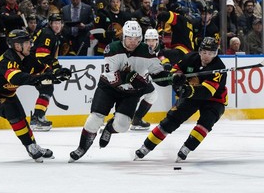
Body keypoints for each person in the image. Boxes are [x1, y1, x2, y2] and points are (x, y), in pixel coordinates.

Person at [69, 21, 171, 162]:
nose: (133, 42)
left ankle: (109, 129)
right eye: (130, 38)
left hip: (131, 93)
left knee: (122, 126)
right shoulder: (112, 48)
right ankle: (81, 148)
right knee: (94, 119)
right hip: (108, 88)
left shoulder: (147, 51)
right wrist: (131, 78)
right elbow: (112, 76)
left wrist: (170, 79)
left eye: (136, 39)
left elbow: (157, 73)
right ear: (123, 37)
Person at [0, 29, 71, 162]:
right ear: (17, 45)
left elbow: (44, 69)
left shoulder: (28, 58)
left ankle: (33, 146)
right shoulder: (7, 59)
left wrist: (57, 73)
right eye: (26, 42)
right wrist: (43, 77)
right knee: (11, 110)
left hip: (7, 92)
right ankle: (30, 146)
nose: (30, 45)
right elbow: (17, 79)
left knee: (20, 118)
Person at [135, 37, 228, 162]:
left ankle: (187, 148)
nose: (207, 56)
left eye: (211, 53)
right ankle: (146, 147)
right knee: (171, 120)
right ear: (200, 51)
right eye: (205, 52)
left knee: (206, 122)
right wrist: (176, 77)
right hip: (192, 95)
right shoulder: (190, 58)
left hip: (215, 99)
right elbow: (175, 70)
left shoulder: (219, 67)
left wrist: (187, 90)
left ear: (216, 54)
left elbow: (206, 93)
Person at [30, 13, 67, 131]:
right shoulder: (48, 34)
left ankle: (39, 116)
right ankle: (36, 118)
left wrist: (55, 68)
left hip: (37, 65)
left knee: (47, 89)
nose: (57, 25)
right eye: (55, 23)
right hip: (35, 66)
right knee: (46, 89)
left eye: (59, 23)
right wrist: (55, 67)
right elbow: (42, 55)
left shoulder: (52, 35)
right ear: (50, 24)